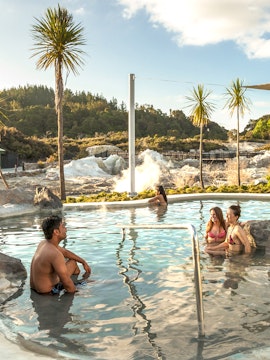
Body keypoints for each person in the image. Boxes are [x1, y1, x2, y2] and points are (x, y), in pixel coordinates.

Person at [30, 215, 91, 294]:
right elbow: (67, 285)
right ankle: (81, 283)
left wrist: (83, 262)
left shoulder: (44, 243)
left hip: (35, 288)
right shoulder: (55, 254)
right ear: (56, 232)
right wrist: (79, 292)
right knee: (92, 284)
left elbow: (65, 252)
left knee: (73, 262)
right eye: (63, 226)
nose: (65, 229)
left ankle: (78, 281)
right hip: (49, 292)